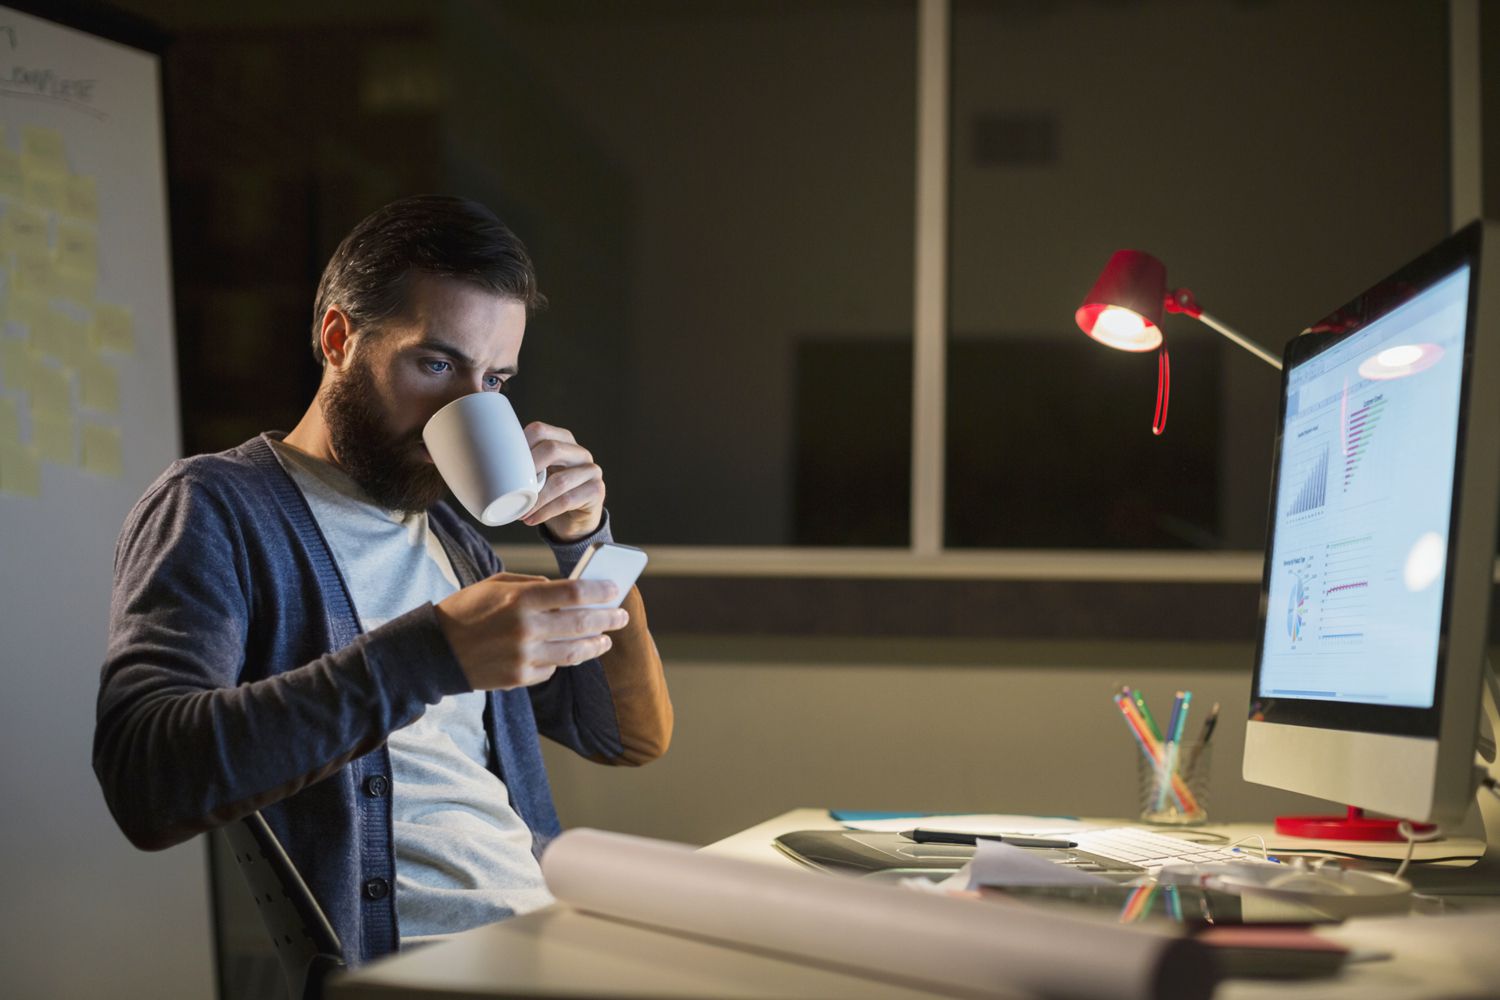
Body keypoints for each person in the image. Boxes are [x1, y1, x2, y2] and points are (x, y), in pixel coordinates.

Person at [93, 195, 672, 964]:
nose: (469, 407)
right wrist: (431, 654)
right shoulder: (217, 508)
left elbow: (624, 736)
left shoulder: (456, 538)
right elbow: (147, 779)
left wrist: (583, 541)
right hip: (419, 964)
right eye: (436, 364)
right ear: (339, 338)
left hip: (541, 934)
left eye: (494, 380)